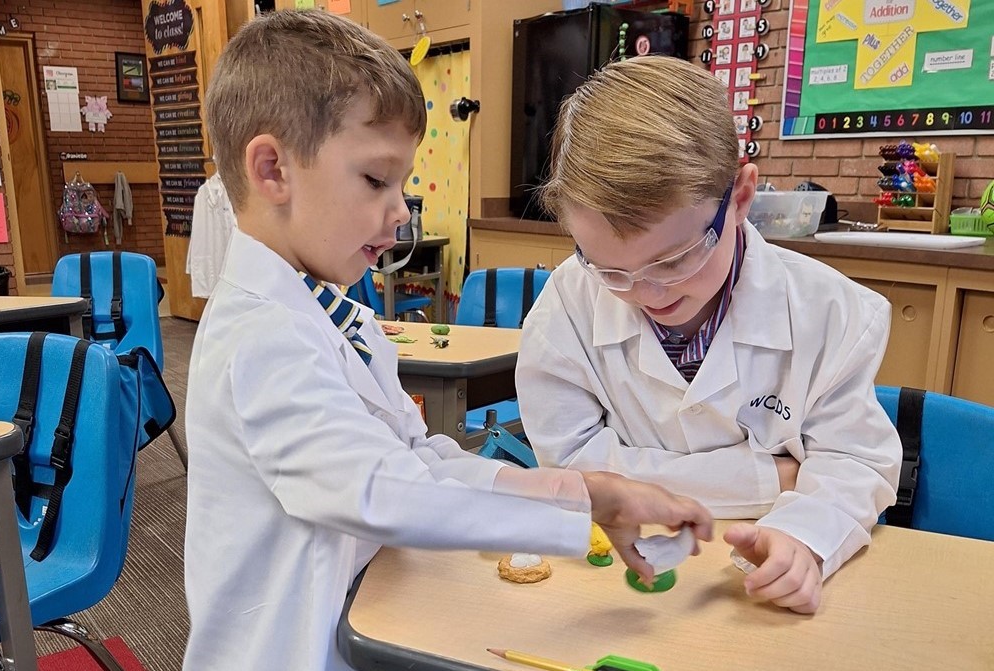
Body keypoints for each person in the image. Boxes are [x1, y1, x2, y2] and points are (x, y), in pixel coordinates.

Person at [183, 12, 714, 671]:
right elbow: (382, 492)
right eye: (377, 180)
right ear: (272, 170)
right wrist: (575, 514)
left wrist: (582, 494)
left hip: (349, 622)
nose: (401, 208)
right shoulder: (260, 337)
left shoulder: (322, 312)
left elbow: (420, 459)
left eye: (402, 183)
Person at [516, 56, 901, 615]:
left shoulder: (831, 312)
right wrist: (771, 476)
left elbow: (856, 464)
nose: (648, 293)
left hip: (749, 587)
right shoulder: (567, 304)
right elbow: (572, 465)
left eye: (674, 260)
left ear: (741, 197)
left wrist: (807, 535)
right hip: (612, 585)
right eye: (610, 270)